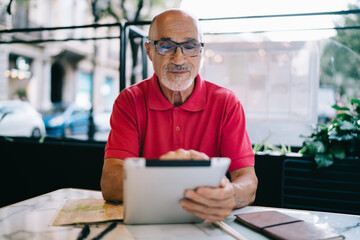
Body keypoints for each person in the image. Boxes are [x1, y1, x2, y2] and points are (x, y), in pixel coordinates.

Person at [101, 9, 258, 222]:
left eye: (190, 46)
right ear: (149, 51)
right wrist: (169, 175)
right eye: (166, 46)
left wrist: (230, 195)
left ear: (201, 51)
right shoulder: (129, 101)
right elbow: (110, 183)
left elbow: (247, 180)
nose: (178, 58)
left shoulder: (226, 103)